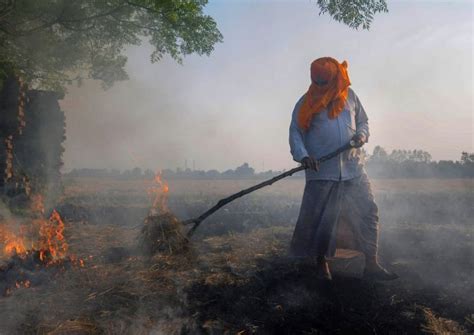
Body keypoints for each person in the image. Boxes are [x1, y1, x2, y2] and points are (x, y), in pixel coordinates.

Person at [288, 57, 397, 281]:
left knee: (368, 212)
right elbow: (295, 132)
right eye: (316, 82)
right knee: (322, 220)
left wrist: (362, 135)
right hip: (321, 172)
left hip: (354, 168)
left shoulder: (350, 97)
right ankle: (321, 264)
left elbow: (363, 121)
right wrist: (304, 156)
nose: (320, 87)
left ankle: (372, 264)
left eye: (324, 82)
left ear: (336, 78)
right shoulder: (305, 103)